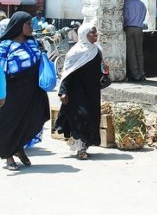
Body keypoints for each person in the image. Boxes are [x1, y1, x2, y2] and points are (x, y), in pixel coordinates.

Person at [0, 12, 50, 171]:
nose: (32, 26)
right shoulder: (5, 45)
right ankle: (8, 155)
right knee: (10, 123)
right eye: (28, 23)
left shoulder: (33, 42)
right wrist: (1, 93)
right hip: (13, 92)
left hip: (33, 90)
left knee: (33, 118)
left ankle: (19, 147)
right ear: (18, 25)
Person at [55, 23, 106, 160]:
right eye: (93, 32)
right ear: (84, 34)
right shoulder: (75, 52)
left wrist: (105, 72)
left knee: (92, 117)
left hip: (93, 90)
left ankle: (84, 144)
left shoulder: (97, 50)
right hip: (77, 90)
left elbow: (101, 68)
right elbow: (68, 73)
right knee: (82, 117)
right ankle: (80, 148)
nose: (96, 35)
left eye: (96, 32)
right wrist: (63, 91)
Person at [124, 0, 147, 81]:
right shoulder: (142, 4)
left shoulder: (127, 3)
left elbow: (125, 16)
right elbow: (144, 16)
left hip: (129, 28)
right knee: (139, 52)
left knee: (131, 52)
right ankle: (142, 73)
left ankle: (135, 74)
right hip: (139, 29)